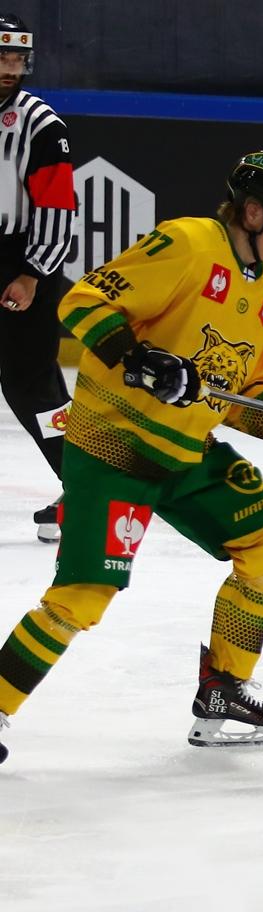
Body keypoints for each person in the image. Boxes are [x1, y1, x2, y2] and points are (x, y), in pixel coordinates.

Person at [0, 150, 263, 764]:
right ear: (252, 213)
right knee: (84, 593)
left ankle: (223, 688)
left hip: (186, 451)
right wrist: (139, 359)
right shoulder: (189, 244)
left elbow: (237, 394)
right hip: (114, 446)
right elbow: (81, 302)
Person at [0, 13, 76, 544]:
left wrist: (32, 274)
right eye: (1, 58)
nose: (10, 69)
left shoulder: (41, 126)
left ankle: (86, 486)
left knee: (33, 386)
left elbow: (56, 208)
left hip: (21, 262)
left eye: (17, 60)